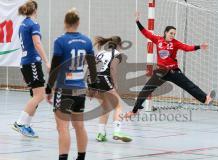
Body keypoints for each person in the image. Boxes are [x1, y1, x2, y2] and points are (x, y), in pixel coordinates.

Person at [126, 12, 215, 116]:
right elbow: (146, 33)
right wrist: (137, 22)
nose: (172, 35)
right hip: (161, 72)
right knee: (146, 90)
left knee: (189, 85)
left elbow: (187, 48)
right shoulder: (158, 39)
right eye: (171, 33)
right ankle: (134, 111)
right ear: (166, 32)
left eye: (174, 34)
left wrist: (199, 46)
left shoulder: (175, 43)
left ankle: (205, 99)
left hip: (173, 71)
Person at [45, 8, 97, 160]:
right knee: (79, 126)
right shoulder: (87, 41)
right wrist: (93, 86)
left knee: (62, 127)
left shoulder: (60, 41)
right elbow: (93, 66)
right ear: (78, 23)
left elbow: (54, 67)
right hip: (80, 89)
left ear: (65, 23)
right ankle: (81, 158)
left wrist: (48, 88)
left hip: (64, 89)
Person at [13, 0, 50, 138]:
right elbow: (37, 43)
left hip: (26, 63)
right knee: (39, 95)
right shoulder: (33, 24)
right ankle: (20, 123)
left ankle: (26, 125)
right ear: (35, 10)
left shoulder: (22, 24)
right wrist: (47, 61)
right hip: (32, 62)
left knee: (35, 96)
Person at [92, 36, 132, 142]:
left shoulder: (100, 52)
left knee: (105, 107)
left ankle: (101, 134)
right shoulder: (117, 54)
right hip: (105, 79)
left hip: (93, 80)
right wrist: (115, 83)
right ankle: (117, 131)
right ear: (118, 45)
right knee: (118, 105)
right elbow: (113, 68)